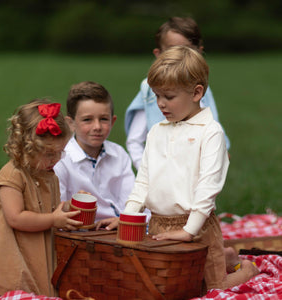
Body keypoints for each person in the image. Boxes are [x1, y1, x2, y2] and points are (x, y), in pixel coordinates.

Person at [97, 46, 258, 292]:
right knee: (166, 287)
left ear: (196, 93)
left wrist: (188, 230)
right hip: (159, 225)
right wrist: (128, 218)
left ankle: (246, 269)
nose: (161, 104)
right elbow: (144, 180)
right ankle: (226, 260)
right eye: (156, 96)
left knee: (210, 290)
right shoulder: (157, 131)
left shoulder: (210, 131)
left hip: (198, 226)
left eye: (168, 97)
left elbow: (208, 186)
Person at [0, 99, 83, 298]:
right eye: (49, 153)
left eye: (60, 152)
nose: (55, 159)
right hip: (9, 259)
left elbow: (49, 210)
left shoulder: (49, 175)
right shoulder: (13, 175)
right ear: (25, 147)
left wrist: (69, 208)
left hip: (35, 254)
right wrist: (53, 220)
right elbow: (16, 217)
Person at [125, 16, 230, 170]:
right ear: (158, 54)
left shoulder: (202, 89)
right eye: (173, 49)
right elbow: (134, 140)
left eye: (187, 50)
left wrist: (222, 148)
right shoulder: (149, 89)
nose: (180, 57)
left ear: (199, 53)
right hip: (161, 171)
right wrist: (146, 171)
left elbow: (213, 122)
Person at [54, 81, 136, 221]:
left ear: (112, 121)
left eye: (104, 119)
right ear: (71, 123)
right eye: (87, 120)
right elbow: (57, 208)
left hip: (116, 227)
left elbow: (131, 200)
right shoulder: (60, 159)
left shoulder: (119, 154)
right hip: (77, 232)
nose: (97, 126)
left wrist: (124, 219)